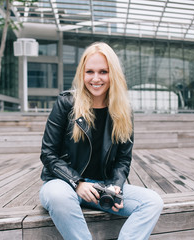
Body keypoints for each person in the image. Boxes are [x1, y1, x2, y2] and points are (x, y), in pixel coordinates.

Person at [39, 42, 163, 240]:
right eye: (90, 71)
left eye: (103, 71)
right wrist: (77, 182)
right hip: (64, 184)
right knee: (58, 196)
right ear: (82, 74)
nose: (96, 78)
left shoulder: (123, 111)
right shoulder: (66, 104)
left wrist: (116, 186)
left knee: (152, 202)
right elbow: (48, 154)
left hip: (101, 188)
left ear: (112, 74)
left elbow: (123, 160)